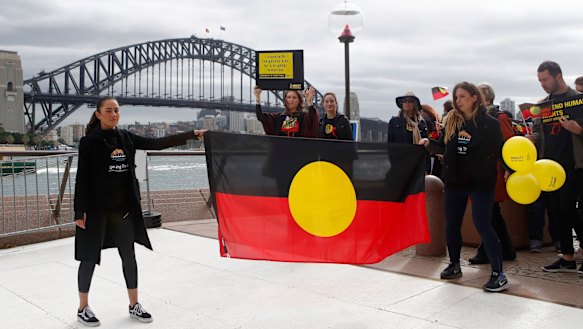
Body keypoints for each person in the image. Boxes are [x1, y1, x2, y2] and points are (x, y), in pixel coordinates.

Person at [74, 96, 205, 326]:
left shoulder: (125, 137)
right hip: (96, 211)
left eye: (116, 110)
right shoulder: (90, 142)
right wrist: (79, 211)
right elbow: (82, 178)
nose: (113, 114)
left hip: (123, 210)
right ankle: (83, 308)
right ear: (98, 114)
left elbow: (156, 144)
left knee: (129, 256)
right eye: (108, 110)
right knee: (88, 258)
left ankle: (134, 304)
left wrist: (190, 135)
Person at [433, 81, 509, 292]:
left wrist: (509, 168)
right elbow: (443, 146)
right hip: (455, 181)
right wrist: (427, 144)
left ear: (475, 97)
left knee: (483, 224)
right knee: (452, 224)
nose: (458, 101)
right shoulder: (452, 121)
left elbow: (501, 150)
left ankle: (499, 274)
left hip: (480, 181)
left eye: (463, 96)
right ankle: (455, 264)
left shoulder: (490, 123)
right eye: (456, 97)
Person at [532, 61, 583, 274]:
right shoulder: (543, 104)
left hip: (573, 164)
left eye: (545, 80)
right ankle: (567, 258)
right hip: (548, 166)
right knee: (556, 212)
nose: (543, 84)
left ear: (558, 76)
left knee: (568, 209)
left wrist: (578, 129)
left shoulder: (578, 100)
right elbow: (538, 131)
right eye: (540, 81)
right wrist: (531, 138)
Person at [467, 83, 516, 264]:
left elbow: (508, 146)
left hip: (493, 171)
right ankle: (506, 250)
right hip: (481, 170)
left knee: (486, 213)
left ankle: (487, 252)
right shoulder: (474, 118)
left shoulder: (498, 117)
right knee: (492, 213)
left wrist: (508, 169)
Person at [254, 86, 319, 138]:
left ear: (299, 100)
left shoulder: (304, 117)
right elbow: (261, 117)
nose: (291, 100)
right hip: (282, 150)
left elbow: (313, 117)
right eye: (289, 97)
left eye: (294, 97)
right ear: (285, 100)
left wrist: (309, 101)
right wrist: (257, 99)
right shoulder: (279, 117)